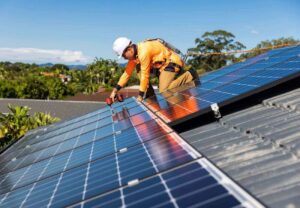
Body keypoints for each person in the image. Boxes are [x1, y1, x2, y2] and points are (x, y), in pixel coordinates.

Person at [110, 37, 199, 102]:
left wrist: (140, 95)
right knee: (138, 68)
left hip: (171, 63)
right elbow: (127, 73)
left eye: (124, 56)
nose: (124, 58)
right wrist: (115, 90)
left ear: (129, 50)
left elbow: (145, 75)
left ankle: (190, 75)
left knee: (164, 90)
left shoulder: (144, 52)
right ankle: (150, 96)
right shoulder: (135, 56)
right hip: (161, 67)